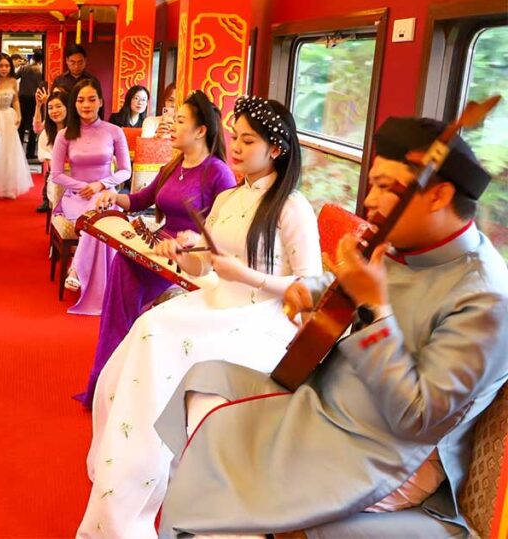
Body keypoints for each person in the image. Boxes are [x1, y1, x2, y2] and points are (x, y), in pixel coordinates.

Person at [154, 116, 508, 538]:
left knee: (226, 496)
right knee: (205, 379)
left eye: (386, 188)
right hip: (331, 402)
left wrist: (377, 307)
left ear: (439, 195)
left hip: (384, 452)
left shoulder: (486, 298)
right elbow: (352, 285)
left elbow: (418, 419)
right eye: (372, 184)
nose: (370, 202)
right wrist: (310, 289)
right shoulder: (408, 243)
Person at [80, 96, 322, 538]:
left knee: (162, 341)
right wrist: (180, 251)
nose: (237, 147)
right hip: (218, 300)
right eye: (235, 137)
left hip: (263, 317)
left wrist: (247, 275)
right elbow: (203, 266)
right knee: (149, 328)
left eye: (249, 140)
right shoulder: (229, 196)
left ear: (277, 149)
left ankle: (146, 474)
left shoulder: (292, 208)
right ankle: (130, 472)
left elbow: (312, 289)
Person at [78, 91, 235, 408]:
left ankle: (117, 376)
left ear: (201, 130)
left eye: (179, 120)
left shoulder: (218, 172)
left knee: (125, 271)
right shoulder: (174, 164)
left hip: (188, 258)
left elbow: (224, 230)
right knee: (124, 262)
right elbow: (139, 201)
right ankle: (112, 375)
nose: (170, 125)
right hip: (156, 248)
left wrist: (188, 244)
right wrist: (112, 195)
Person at [50, 79, 131, 315]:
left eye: (91, 99)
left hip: (105, 195)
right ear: (74, 104)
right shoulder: (65, 135)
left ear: (101, 102)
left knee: (104, 217)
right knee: (99, 218)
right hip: (76, 196)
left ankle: (77, 270)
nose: (86, 104)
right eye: (80, 100)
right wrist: (83, 186)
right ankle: (86, 276)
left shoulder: (114, 131)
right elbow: (56, 174)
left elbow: (126, 170)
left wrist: (100, 185)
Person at [0, 52, 33, 198]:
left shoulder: (13, 82)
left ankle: (8, 187)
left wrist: (19, 114)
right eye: (1, 66)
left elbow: (15, 100)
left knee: (9, 154)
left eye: (7, 65)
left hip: (9, 118)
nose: (4, 68)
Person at [34, 89, 69, 213]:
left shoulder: (77, 131)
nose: (54, 111)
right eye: (50, 108)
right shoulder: (46, 134)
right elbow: (53, 166)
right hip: (58, 177)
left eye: (58, 106)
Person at [53, 44, 103, 119]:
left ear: (85, 61)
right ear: (67, 61)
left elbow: (99, 102)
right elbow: (54, 101)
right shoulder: (59, 80)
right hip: (65, 119)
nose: (76, 66)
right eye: (73, 62)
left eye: (80, 62)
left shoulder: (92, 80)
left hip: (86, 118)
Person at [18, 50, 45, 159]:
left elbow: (14, 76)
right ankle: (30, 152)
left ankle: (18, 151)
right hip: (34, 99)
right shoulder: (41, 70)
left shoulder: (24, 68)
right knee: (34, 127)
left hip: (22, 98)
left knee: (21, 125)